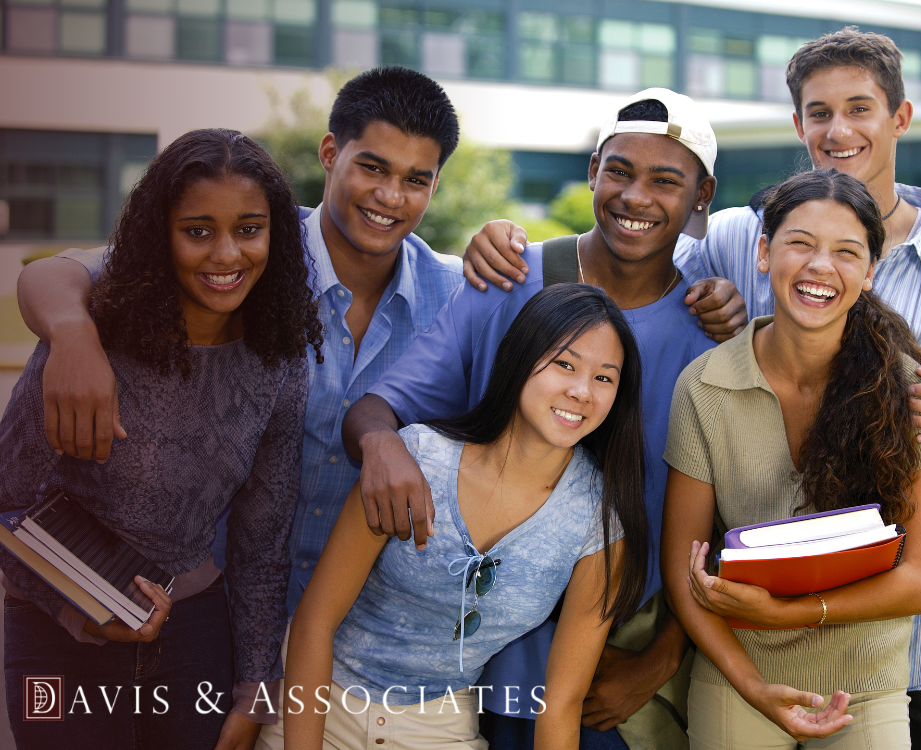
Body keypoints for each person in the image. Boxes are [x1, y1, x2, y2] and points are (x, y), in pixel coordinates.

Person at [341, 88, 738, 749]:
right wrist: (380, 443)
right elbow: (381, 407)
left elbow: (735, 520)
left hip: (629, 657)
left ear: (702, 196)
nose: (635, 197)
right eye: (619, 171)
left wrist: (662, 657)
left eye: (665, 181)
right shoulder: (512, 276)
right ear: (592, 173)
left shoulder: (711, 331)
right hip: (490, 660)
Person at [15, 66, 467, 613]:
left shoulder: (456, 297)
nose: (390, 196)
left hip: (353, 629)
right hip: (213, 608)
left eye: (415, 180)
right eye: (372, 167)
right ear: (330, 153)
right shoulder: (247, 248)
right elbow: (59, 274)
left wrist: (504, 236)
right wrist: (72, 338)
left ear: (436, 185)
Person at [665, 28, 921, 748]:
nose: (838, 129)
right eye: (819, 113)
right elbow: (637, 262)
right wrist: (513, 247)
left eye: (859, 108)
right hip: (764, 609)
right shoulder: (739, 237)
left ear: (900, 118)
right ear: (798, 125)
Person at [0, 129, 323, 749]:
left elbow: (261, 545)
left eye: (249, 229)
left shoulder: (277, 362)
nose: (226, 254)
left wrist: (256, 693)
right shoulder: (92, 338)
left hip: (193, 638)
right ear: (161, 233)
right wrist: (82, 612)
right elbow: (6, 499)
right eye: (198, 230)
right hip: (55, 632)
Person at [260, 284, 649, 750]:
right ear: (520, 359)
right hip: (317, 703)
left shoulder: (599, 521)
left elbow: (562, 703)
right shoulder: (418, 459)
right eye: (564, 364)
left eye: (605, 378)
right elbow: (313, 623)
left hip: (439, 725)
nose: (582, 392)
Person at [663, 168, 921, 748]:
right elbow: (681, 570)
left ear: (870, 272)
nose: (821, 266)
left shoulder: (905, 388)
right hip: (739, 673)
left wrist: (788, 612)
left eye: (846, 252)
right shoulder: (704, 386)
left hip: (866, 681)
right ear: (765, 252)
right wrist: (753, 685)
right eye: (800, 243)